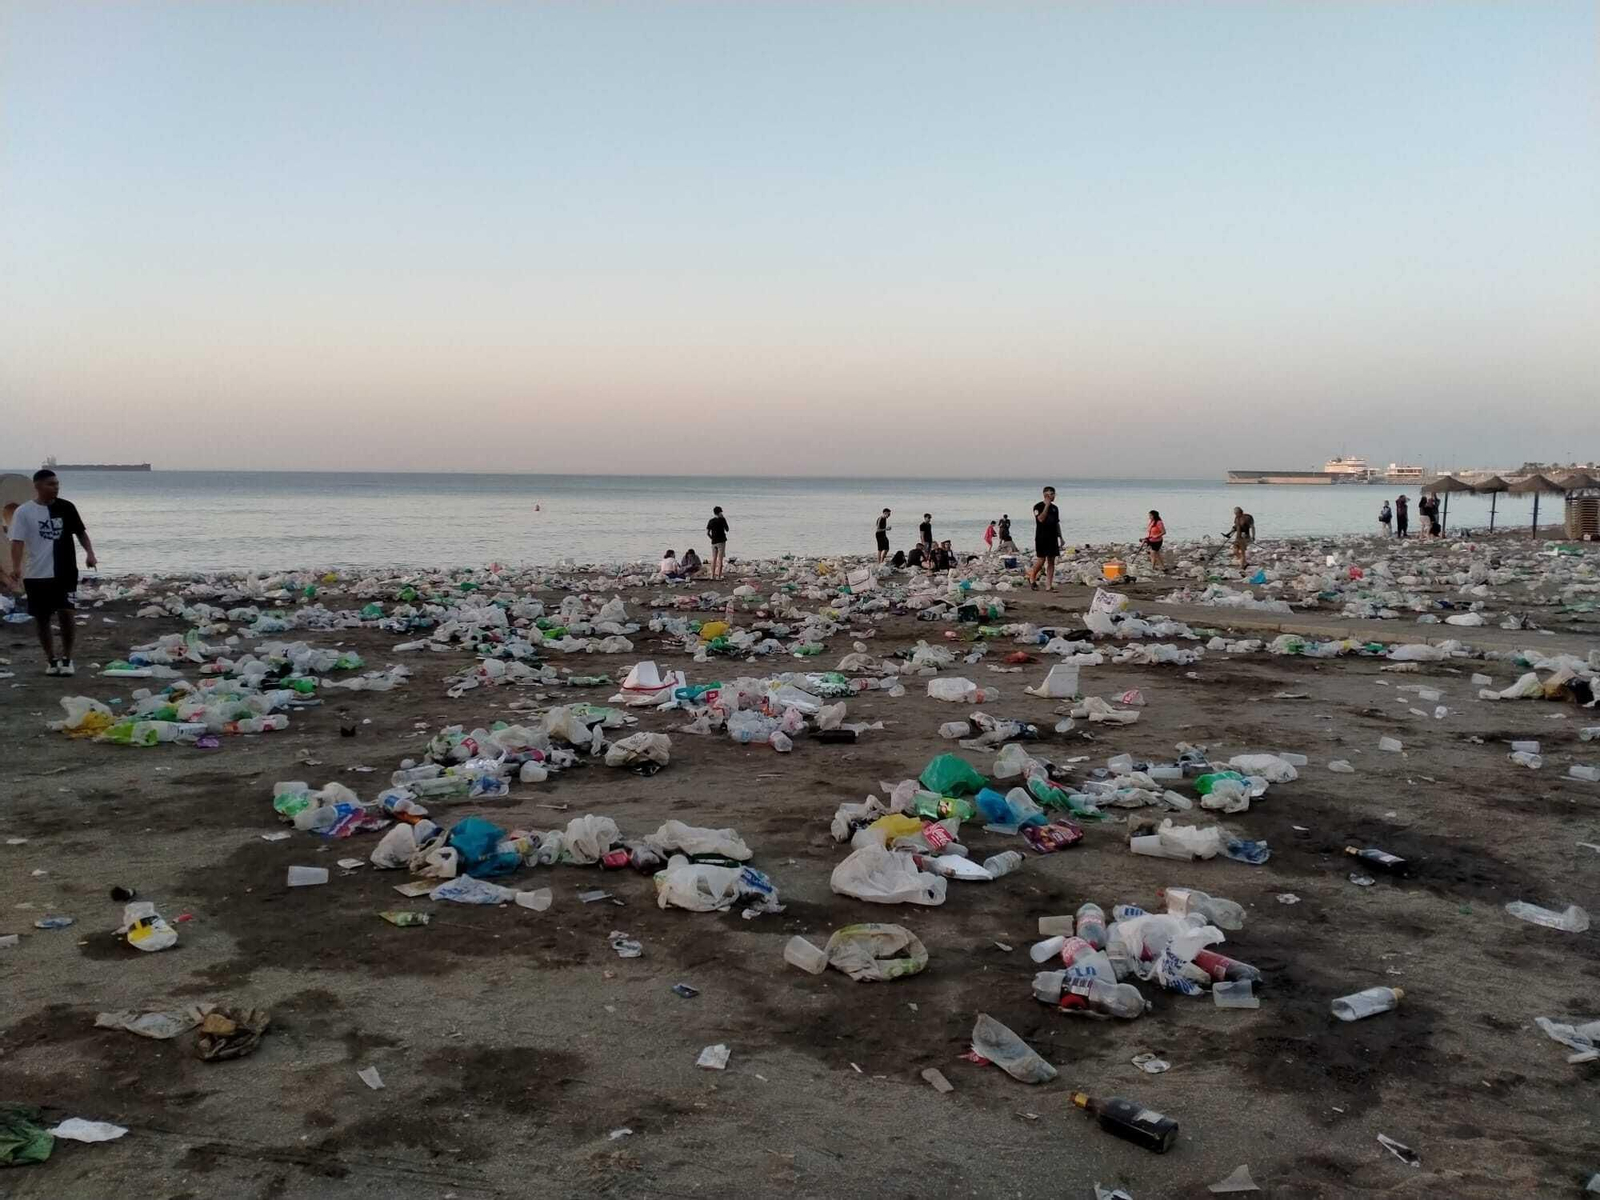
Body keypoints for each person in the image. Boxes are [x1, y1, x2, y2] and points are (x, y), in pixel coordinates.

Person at [5, 468, 96, 676]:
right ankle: (51, 660)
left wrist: (90, 554)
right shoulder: (24, 512)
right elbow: (16, 542)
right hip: (37, 574)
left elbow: (81, 533)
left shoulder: (66, 507)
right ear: (37, 487)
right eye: (51, 484)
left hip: (65, 572)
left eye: (57, 484)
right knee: (42, 618)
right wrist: (16, 567)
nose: (56, 487)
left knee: (67, 613)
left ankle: (67, 659)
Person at [1026, 486, 1064, 590]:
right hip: (1041, 537)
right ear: (1045, 495)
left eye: (1054, 494)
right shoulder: (1038, 506)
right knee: (1041, 560)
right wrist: (1046, 506)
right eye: (1051, 494)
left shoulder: (1055, 508)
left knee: (1051, 561)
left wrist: (1061, 537)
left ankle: (1049, 585)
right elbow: (1041, 519)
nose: (1053, 496)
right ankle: (1032, 577)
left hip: (1052, 537)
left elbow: (1057, 523)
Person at [705, 506, 729, 580]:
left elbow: (708, 533)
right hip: (721, 541)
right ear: (720, 512)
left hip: (713, 542)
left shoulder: (711, 521)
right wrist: (723, 518)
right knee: (720, 559)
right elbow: (727, 529)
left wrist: (712, 538)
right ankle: (718, 576)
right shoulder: (722, 520)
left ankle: (712, 575)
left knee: (714, 559)